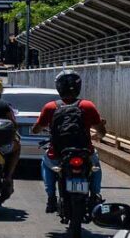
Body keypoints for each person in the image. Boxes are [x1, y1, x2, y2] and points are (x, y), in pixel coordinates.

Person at [31, 70, 107, 213]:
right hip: (85, 152)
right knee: (95, 166)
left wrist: (37, 129)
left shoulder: (50, 107)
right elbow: (102, 132)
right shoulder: (87, 106)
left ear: (59, 87)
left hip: (58, 154)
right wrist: (98, 135)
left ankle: (51, 197)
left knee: (46, 164)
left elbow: (36, 129)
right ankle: (95, 195)